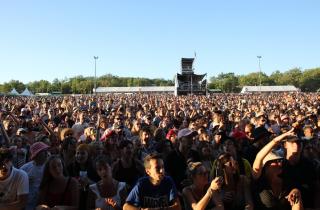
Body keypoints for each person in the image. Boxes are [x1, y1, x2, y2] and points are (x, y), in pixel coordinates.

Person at [252, 129, 304, 210]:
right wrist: (277, 139)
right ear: (265, 166)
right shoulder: (259, 180)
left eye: (279, 161)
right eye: (275, 162)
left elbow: (295, 188)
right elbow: (259, 157)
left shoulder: (285, 178)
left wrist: (295, 191)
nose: (279, 164)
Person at [21, 142, 50, 210]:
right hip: (28, 203)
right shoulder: (25, 168)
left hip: (44, 202)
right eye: (43, 152)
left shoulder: (49, 167)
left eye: (46, 151)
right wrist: (25, 181)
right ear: (36, 155)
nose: (46, 154)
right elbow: (17, 181)